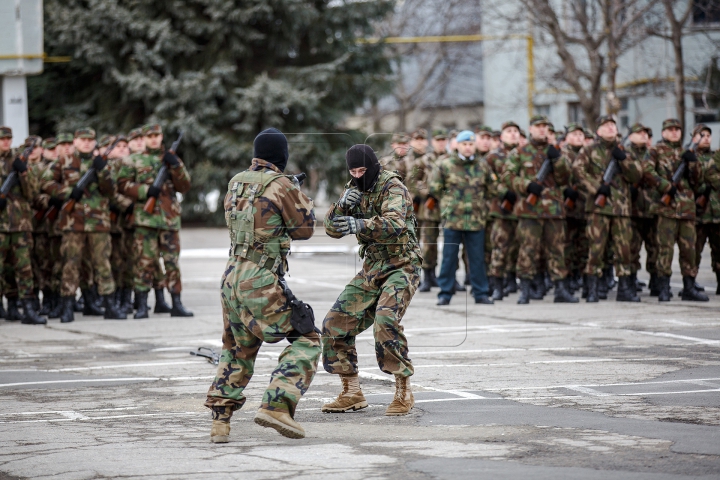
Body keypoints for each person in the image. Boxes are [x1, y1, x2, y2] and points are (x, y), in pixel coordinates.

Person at [205, 128, 319, 441]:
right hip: (260, 277)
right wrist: (299, 194)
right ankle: (277, 405)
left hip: (232, 276)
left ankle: (220, 421)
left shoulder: (236, 182)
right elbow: (305, 229)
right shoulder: (280, 184)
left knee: (238, 348)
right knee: (308, 338)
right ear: (281, 157)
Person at [322, 144, 421, 416]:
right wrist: (341, 207)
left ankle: (403, 391)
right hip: (373, 266)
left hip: (402, 264)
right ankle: (351, 392)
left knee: (385, 321)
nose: (357, 175)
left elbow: (395, 223)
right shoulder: (352, 188)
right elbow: (332, 230)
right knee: (334, 323)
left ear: (374, 167)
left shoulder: (392, 186)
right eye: (352, 171)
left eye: (362, 170)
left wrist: (361, 224)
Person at [42, 128, 126, 322]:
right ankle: (67, 307)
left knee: (103, 264)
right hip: (73, 222)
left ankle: (110, 305)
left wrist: (103, 170)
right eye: (83, 140)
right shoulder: (64, 161)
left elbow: (111, 190)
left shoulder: (103, 164)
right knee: (70, 264)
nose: (87, 143)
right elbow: (45, 182)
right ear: (75, 141)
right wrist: (67, 193)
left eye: (90, 140)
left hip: (98, 222)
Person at [117, 124, 193, 318]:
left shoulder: (170, 159)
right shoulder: (133, 160)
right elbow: (122, 185)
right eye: (149, 136)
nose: (153, 139)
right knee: (144, 263)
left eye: (156, 135)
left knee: (172, 263)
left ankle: (177, 302)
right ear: (144, 138)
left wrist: (176, 165)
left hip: (168, 220)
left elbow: (184, 185)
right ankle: (142, 305)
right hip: (145, 220)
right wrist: (144, 191)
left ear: (161, 137)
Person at [504, 115, 577, 304]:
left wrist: (558, 160)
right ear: (530, 129)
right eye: (538, 126)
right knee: (527, 250)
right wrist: (527, 185)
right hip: (530, 209)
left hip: (553, 209)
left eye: (545, 126)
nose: (542, 130)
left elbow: (565, 178)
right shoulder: (520, 152)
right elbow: (508, 176)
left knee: (557, 250)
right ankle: (526, 290)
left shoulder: (556, 152)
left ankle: (561, 289)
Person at [571, 116, 643, 302]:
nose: (610, 128)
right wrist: (596, 187)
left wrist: (624, 161)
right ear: (598, 131)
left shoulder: (624, 151)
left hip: (621, 209)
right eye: (606, 126)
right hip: (598, 208)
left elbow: (636, 175)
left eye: (613, 125)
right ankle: (593, 289)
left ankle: (625, 289)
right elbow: (578, 171)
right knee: (596, 248)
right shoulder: (589, 150)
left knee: (624, 250)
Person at [642, 119, 708, 302]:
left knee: (689, 250)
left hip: (687, 208)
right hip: (666, 209)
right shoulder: (655, 151)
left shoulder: (686, 152)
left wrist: (693, 163)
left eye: (677, 130)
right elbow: (647, 171)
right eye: (670, 130)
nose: (674, 133)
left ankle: (689, 287)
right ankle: (663, 287)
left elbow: (697, 181)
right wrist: (664, 186)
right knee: (665, 249)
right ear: (663, 133)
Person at [429, 130, 495, 305]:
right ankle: (445, 293)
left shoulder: (482, 165)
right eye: (464, 144)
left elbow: (491, 189)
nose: (468, 148)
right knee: (449, 257)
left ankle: (480, 292)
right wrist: (450, 200)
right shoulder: (445, 165)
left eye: (471, 144)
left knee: (477, 258)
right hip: (453, 219)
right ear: (457, 145)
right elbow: (435, 188)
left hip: (476, 220)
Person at [0, 127, 45, 324]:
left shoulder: (19, 160)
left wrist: (24, 172)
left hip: (20, 224)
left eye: (8, 139)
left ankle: (27, 308)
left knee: (24, 269)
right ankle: (6, 306)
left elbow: (32, 193)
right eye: (2, 139)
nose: (5, 143)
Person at [487, 121, 521, 300]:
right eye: (509, 131)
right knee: (500, 247)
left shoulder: (525, 153)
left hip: (523, 208)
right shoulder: (493, 157)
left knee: (518, 248)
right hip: (502, 208)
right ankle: (497, 285)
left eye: (516, 131)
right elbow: (489, 180)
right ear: (502, 136)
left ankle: (513, 281)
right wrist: (503, 193)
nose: (513, 134)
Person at [627, 123, 659, 294]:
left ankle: (656, 281)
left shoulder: (654, 154)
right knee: (632, 248)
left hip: (653, 208)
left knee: (655, 247)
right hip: (633, 210)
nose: (644, 136)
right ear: (630, 136)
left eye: (646, 133)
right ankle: (631, 281)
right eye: (639, 133)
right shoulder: (626, 154)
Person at [416, 130, 447, 292]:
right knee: (429, 244)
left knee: (450, 244)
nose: (441, 143)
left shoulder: (451, 159)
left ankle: (450, 277)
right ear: (432, 142)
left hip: (449, 207)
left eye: (443, 140)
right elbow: (415, 180)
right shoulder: (424, 160)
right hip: (430, 208)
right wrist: (426, 192)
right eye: (438, 140)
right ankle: (428, 276)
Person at [561, 124, 589, 296]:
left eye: (581, 134)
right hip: (568, 207)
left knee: (584, 245)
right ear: (567, 137)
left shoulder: (588, 154)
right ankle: (569, 277)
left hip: (586, 206)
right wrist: (566, 190)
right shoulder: (563, 155)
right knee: (568, 245)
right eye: (574, 134)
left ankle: (582, 277)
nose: (578, 137)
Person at [693, 124, 720, 294]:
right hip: (698, 213)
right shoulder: (689, 157)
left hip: (717, 213)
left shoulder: (716, 157)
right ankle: (691, 282)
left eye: (709, 135)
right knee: (694, 250)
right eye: (702, 135)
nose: (706, 138)